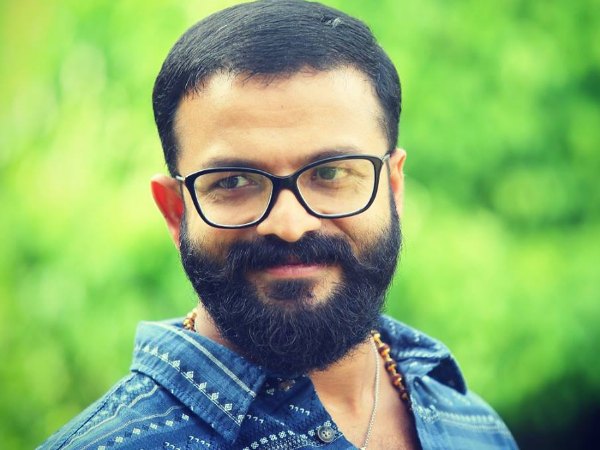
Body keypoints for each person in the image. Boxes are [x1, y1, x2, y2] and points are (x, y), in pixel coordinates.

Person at [40, 1, 518, 449]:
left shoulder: (475, 428)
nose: (289, 225)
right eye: (233, 181)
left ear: (393, 188)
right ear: (175, 211)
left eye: (330, 174)